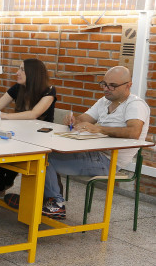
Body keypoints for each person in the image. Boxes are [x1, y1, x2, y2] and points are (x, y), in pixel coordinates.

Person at [36, 66, 149, 219]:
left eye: (112, 86)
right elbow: (83, 120)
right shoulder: (104, 101)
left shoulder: (135, 105)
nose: (106, 89)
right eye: (104, 84)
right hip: (92, 151)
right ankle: (43, 199)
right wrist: (73, 120)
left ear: (128, 85)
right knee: (45, 152)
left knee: (47, 158)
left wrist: (100, 129)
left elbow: (134, 132)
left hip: (109, 160)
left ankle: (55, 204)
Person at [0, 59, 57, 196]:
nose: (17, 72)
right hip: (21, 133)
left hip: (40, 138)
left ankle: (2, 186)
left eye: (22, 70)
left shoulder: (49, 91)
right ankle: (2, 186)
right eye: (19, 69)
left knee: (13, 151)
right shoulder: (18, 88)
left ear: (32, 73)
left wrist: (3, 115)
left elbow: (34, 114)